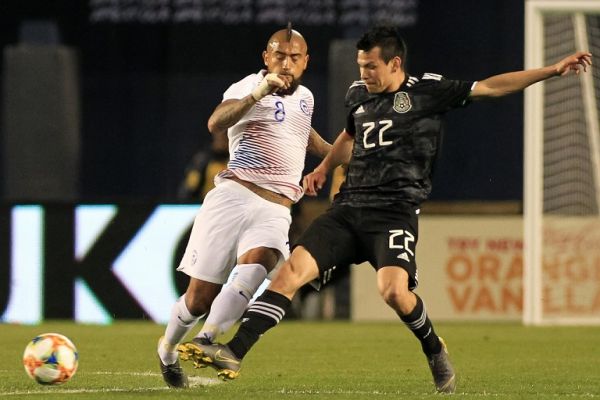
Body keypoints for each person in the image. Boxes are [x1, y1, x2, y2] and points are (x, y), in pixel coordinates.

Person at [177, 26, 592, 393]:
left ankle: (433, 347)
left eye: (371, 67)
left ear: (395, 64)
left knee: (393, 292)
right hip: (348, 208)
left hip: (394, 212)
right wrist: (323, 168)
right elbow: (347, 135)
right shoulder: (358, 94)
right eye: (360, 66)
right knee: (289, 272)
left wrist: (551, 71)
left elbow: (491, 86)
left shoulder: (428, 91)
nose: (363, 74)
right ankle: (234, 351)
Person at [157, 25, 331, 388]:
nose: (286, 64)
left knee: (260, 263)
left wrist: (341, 157)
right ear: (266, 58)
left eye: (294, 58)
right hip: (235, 197)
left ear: (305, 62)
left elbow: (305, 136)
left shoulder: (307, 98)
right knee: (197, 299)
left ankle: (207, 341)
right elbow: (215, 122)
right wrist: (258, 91)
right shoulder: (247, 86)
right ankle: (169, 349)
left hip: (277, 208)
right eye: (279, 56)